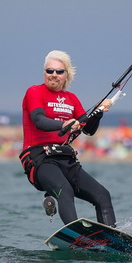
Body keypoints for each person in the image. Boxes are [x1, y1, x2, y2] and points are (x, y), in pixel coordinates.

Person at [20, 50, 116, 227]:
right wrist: (64, 124)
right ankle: (76, 237)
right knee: (65, 191)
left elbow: (88, 130)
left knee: (103, 195)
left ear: (67, 75)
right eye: (49, 71)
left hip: (66, 158)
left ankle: (111, 239)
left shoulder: (71, 99)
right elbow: (39, 120)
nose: (53, 75)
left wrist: (98, 112)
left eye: (59, 71)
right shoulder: (34, 92)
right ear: (44, 73)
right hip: (39, 158)